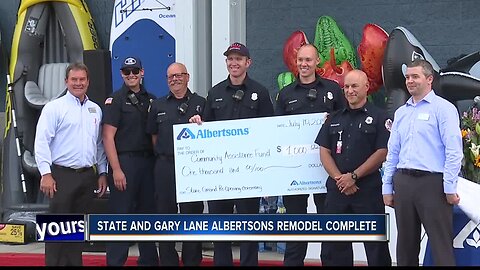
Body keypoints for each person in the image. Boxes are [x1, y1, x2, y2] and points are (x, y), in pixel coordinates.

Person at [189, 42, 274, 266]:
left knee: (248, 228)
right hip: (220, 174)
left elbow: (269, 132)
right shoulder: (215, 92)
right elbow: (206, 130)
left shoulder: (260, 93)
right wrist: (198, 124)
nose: (234, 63)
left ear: (248, 63)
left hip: (249, 172)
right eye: (230, 58)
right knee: (221, 228)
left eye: (238, 59)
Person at [382, 59, 463, 266]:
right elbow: (393, 152)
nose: (410, 81)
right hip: (404, 182)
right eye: (407, 77)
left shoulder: (444, 109)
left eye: (415, 76)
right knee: (406, 247)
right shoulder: (402, 112)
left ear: (429, 79)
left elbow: (454, 150)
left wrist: (449, 186)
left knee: (440, 245)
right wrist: (387, 186)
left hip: (432, 184)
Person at [274, 43, 345, 266]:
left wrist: (332, 121)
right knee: (297, 225)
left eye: (308, 60)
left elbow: (346, 119)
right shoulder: (285, 95)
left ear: (317, 62)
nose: (304, 64)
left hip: (327, 170)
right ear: (296, 63)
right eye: (300, 60)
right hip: (295, 172)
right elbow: (276, 131)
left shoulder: (333, 89)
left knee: (327, 225)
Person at [315, 69, 392, 266]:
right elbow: (324, 151)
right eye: (346, 87)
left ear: (366, 87)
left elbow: (382, 152)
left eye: (354, 86)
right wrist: (340, 179)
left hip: (367, 190)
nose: (349, 91)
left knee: (376, 248)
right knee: (336, 246)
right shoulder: (333, 118)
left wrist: (354, 177)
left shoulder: (380, 117)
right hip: (337, 191)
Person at [34, 63, 108, 266]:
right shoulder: (54, 108)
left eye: (82, 79)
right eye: (74, 79)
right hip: (61, 175)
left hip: (87, 176)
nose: (78, 83)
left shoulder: (96, 110)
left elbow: (99, 145)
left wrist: (102, 172)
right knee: (57, 230)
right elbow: (41, 142)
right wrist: (45, 174)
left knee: (77, 230)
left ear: (88, 82)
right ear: (66, 81)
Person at [146, 62, 206, 266]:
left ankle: (191, 261)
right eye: (170, 76)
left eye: (179, 75)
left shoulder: (201, 103)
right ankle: (168, 261)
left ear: (187, 77)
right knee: (165, 217)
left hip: (193, 168)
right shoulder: (157, 105)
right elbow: (153, 137)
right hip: (165, 166)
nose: (175, 79)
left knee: (192, 217)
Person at [102, 56, 159, 266]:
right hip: (124, 163)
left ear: (142, 72)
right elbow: (107, 137)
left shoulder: (152, 100)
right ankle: (115, 262)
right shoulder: (115, 100)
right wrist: (116, 169)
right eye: (127, 72)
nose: (131, 75)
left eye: (135, 71)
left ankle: (149, 261)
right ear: (121, 75)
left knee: (147, 214)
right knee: (121, 217)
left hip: (147, 164)